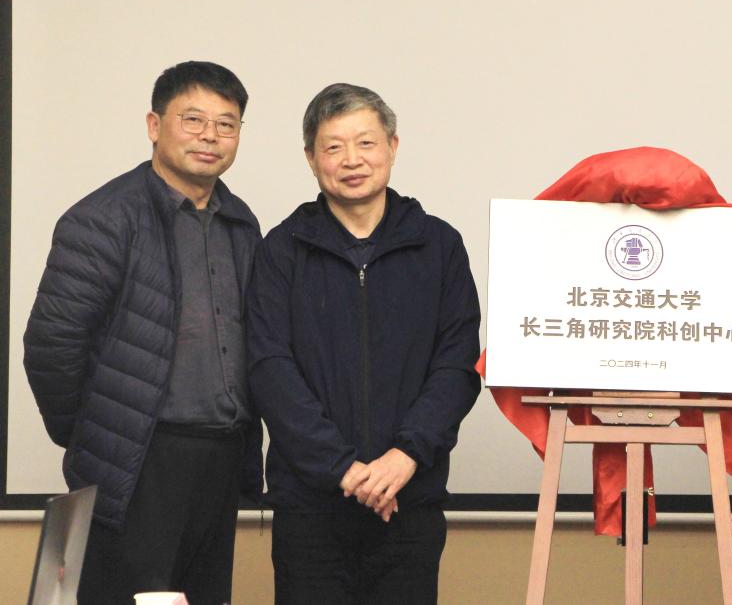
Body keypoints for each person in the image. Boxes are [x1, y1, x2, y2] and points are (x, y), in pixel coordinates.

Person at [24, 61, 261, 605]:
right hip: (138, 460)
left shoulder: (241, 221)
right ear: (155, 126)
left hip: (221, 456)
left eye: (226, 124)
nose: (210, 136)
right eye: (193, 119)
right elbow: (51, 347)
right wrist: (100, 433)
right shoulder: (103, 217)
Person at [246, 83, 481, 604]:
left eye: (366, 143)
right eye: (333, 147)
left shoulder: (439, 245)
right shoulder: (282, 249)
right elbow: (269, 368)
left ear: (392, 147)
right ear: (311, 158)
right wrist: (343, 470)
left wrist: (405, 455)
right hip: (310, 508)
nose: (351, 160)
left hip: (410, 501)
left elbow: (457, 366)